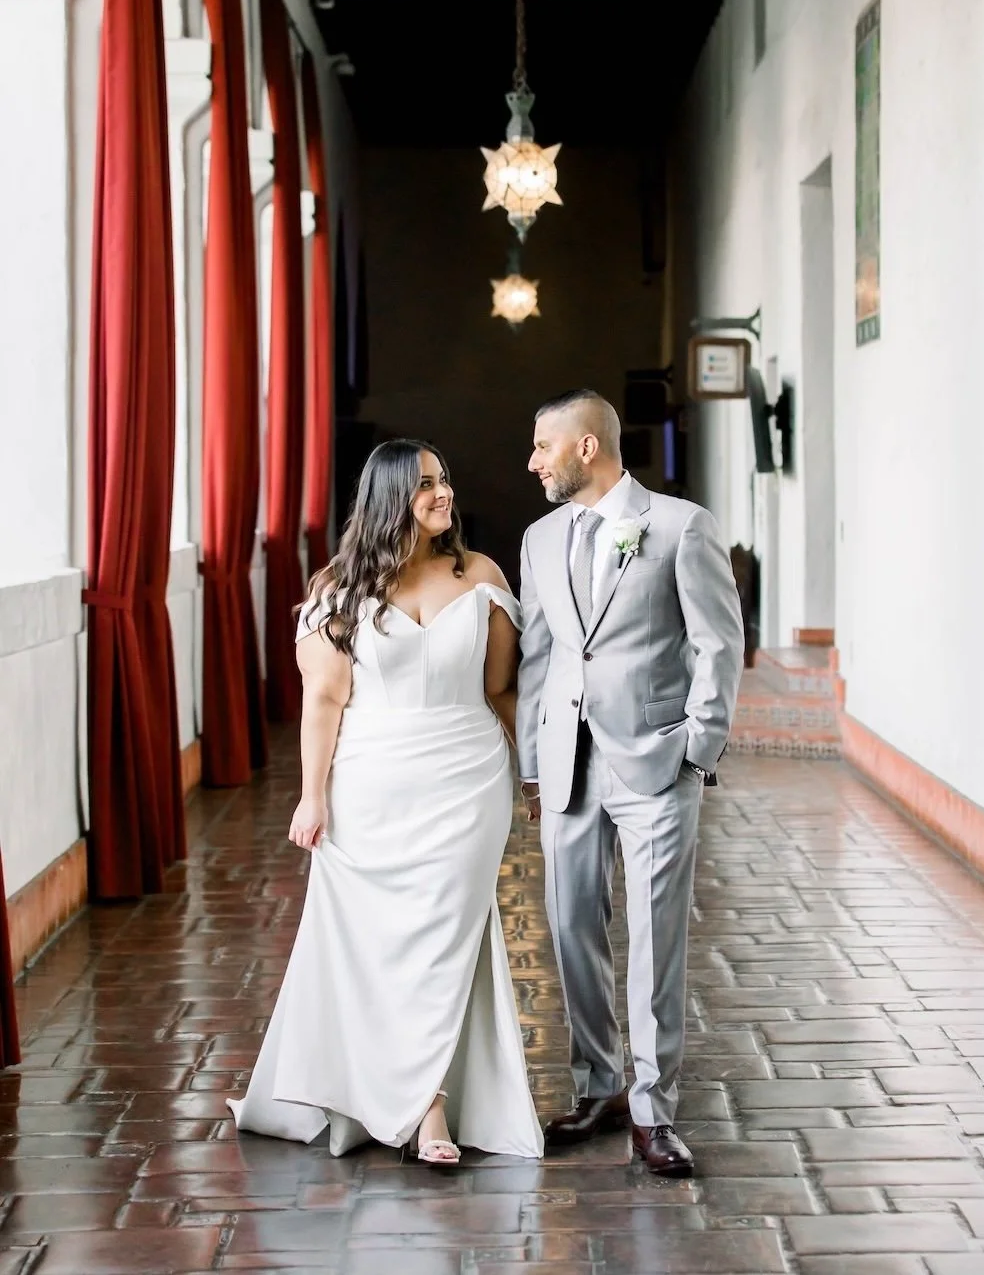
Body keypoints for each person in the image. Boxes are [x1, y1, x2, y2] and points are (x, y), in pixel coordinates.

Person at [229, 439, 544, 1164]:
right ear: (389, 497)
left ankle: (429, 1107)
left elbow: (502, 689)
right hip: (369, 787)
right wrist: (312, 798)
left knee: (445, 941)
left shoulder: (481, 576)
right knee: (377, 946)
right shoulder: (338, 589)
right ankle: (412, 1100)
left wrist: (533, 776)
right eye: (426, 484)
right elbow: (324, 700)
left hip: (468, 783)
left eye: (445, 479)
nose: (444, 493)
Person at [516, 390, 743, 1177]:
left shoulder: (680, 526)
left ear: (586, 446)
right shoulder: (540, 538)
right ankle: (599, 1085)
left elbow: (718, 645)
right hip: (567, 763)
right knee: (570, 925)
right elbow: (539, 656)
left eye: (543, 445)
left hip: (655, 760)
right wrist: (532, 763)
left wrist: (697, 750)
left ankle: (653, 1110)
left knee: (654, 938)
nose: (533, 462)